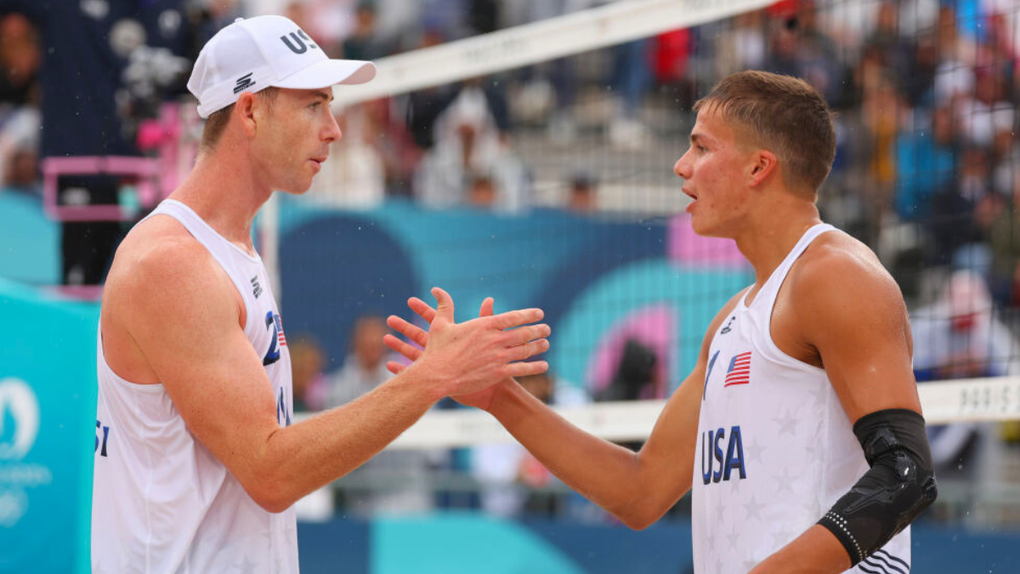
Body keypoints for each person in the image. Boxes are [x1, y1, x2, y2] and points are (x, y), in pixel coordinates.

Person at [387, 70, 937, 574]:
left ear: (758, 167)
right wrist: (499, 397)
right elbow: (641, 492)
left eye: (700, 146)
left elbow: (906, 476)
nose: (681, 164)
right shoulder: (733, 319)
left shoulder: (836, 276)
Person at [90, 15, 551, 574]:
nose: (334, 129)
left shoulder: (235, 244)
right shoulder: (173, 264)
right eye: (314, 105)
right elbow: (271, 472)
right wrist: (434, 376)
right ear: (251, 110)